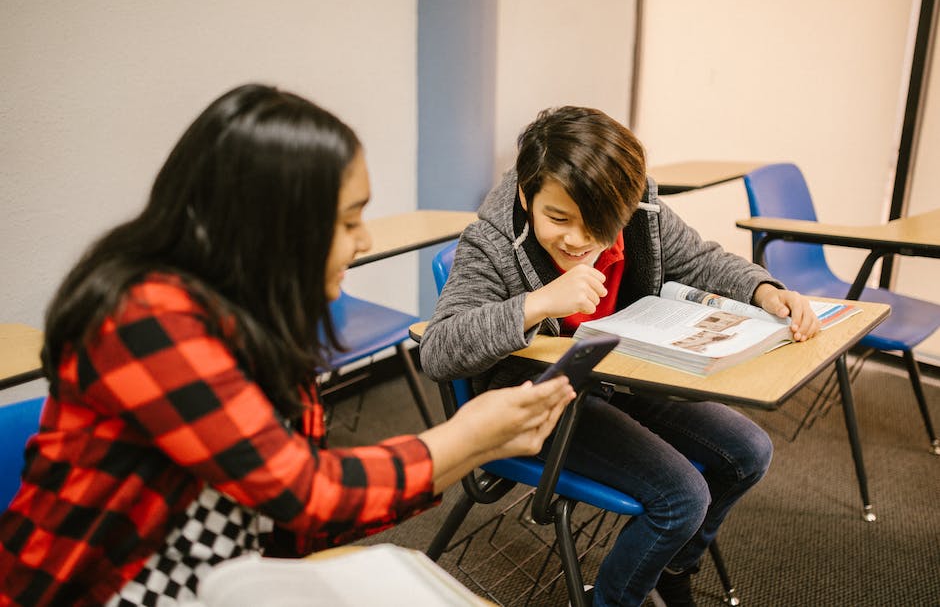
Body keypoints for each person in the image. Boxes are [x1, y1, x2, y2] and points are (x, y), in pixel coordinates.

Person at [0, 84, 576, 607]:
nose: (365, 241)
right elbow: (307, 493)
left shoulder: (253, 319)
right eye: (349, 221)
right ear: (272, 225)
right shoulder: (145, 319)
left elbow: (298, 516)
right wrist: (466, 438)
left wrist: (478, 445)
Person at [419, 106, 821, 607]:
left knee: (748, 453)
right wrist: (536, 304)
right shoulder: (492, 241)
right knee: (681, 498)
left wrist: (761, 289)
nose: (579, 240)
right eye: (558, 219)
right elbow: (438, 349)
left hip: (621, 374)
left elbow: (698, 258)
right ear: (526, 195)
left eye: (600, 224)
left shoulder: (641, 208)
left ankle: (671, 565)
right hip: (536, 401)